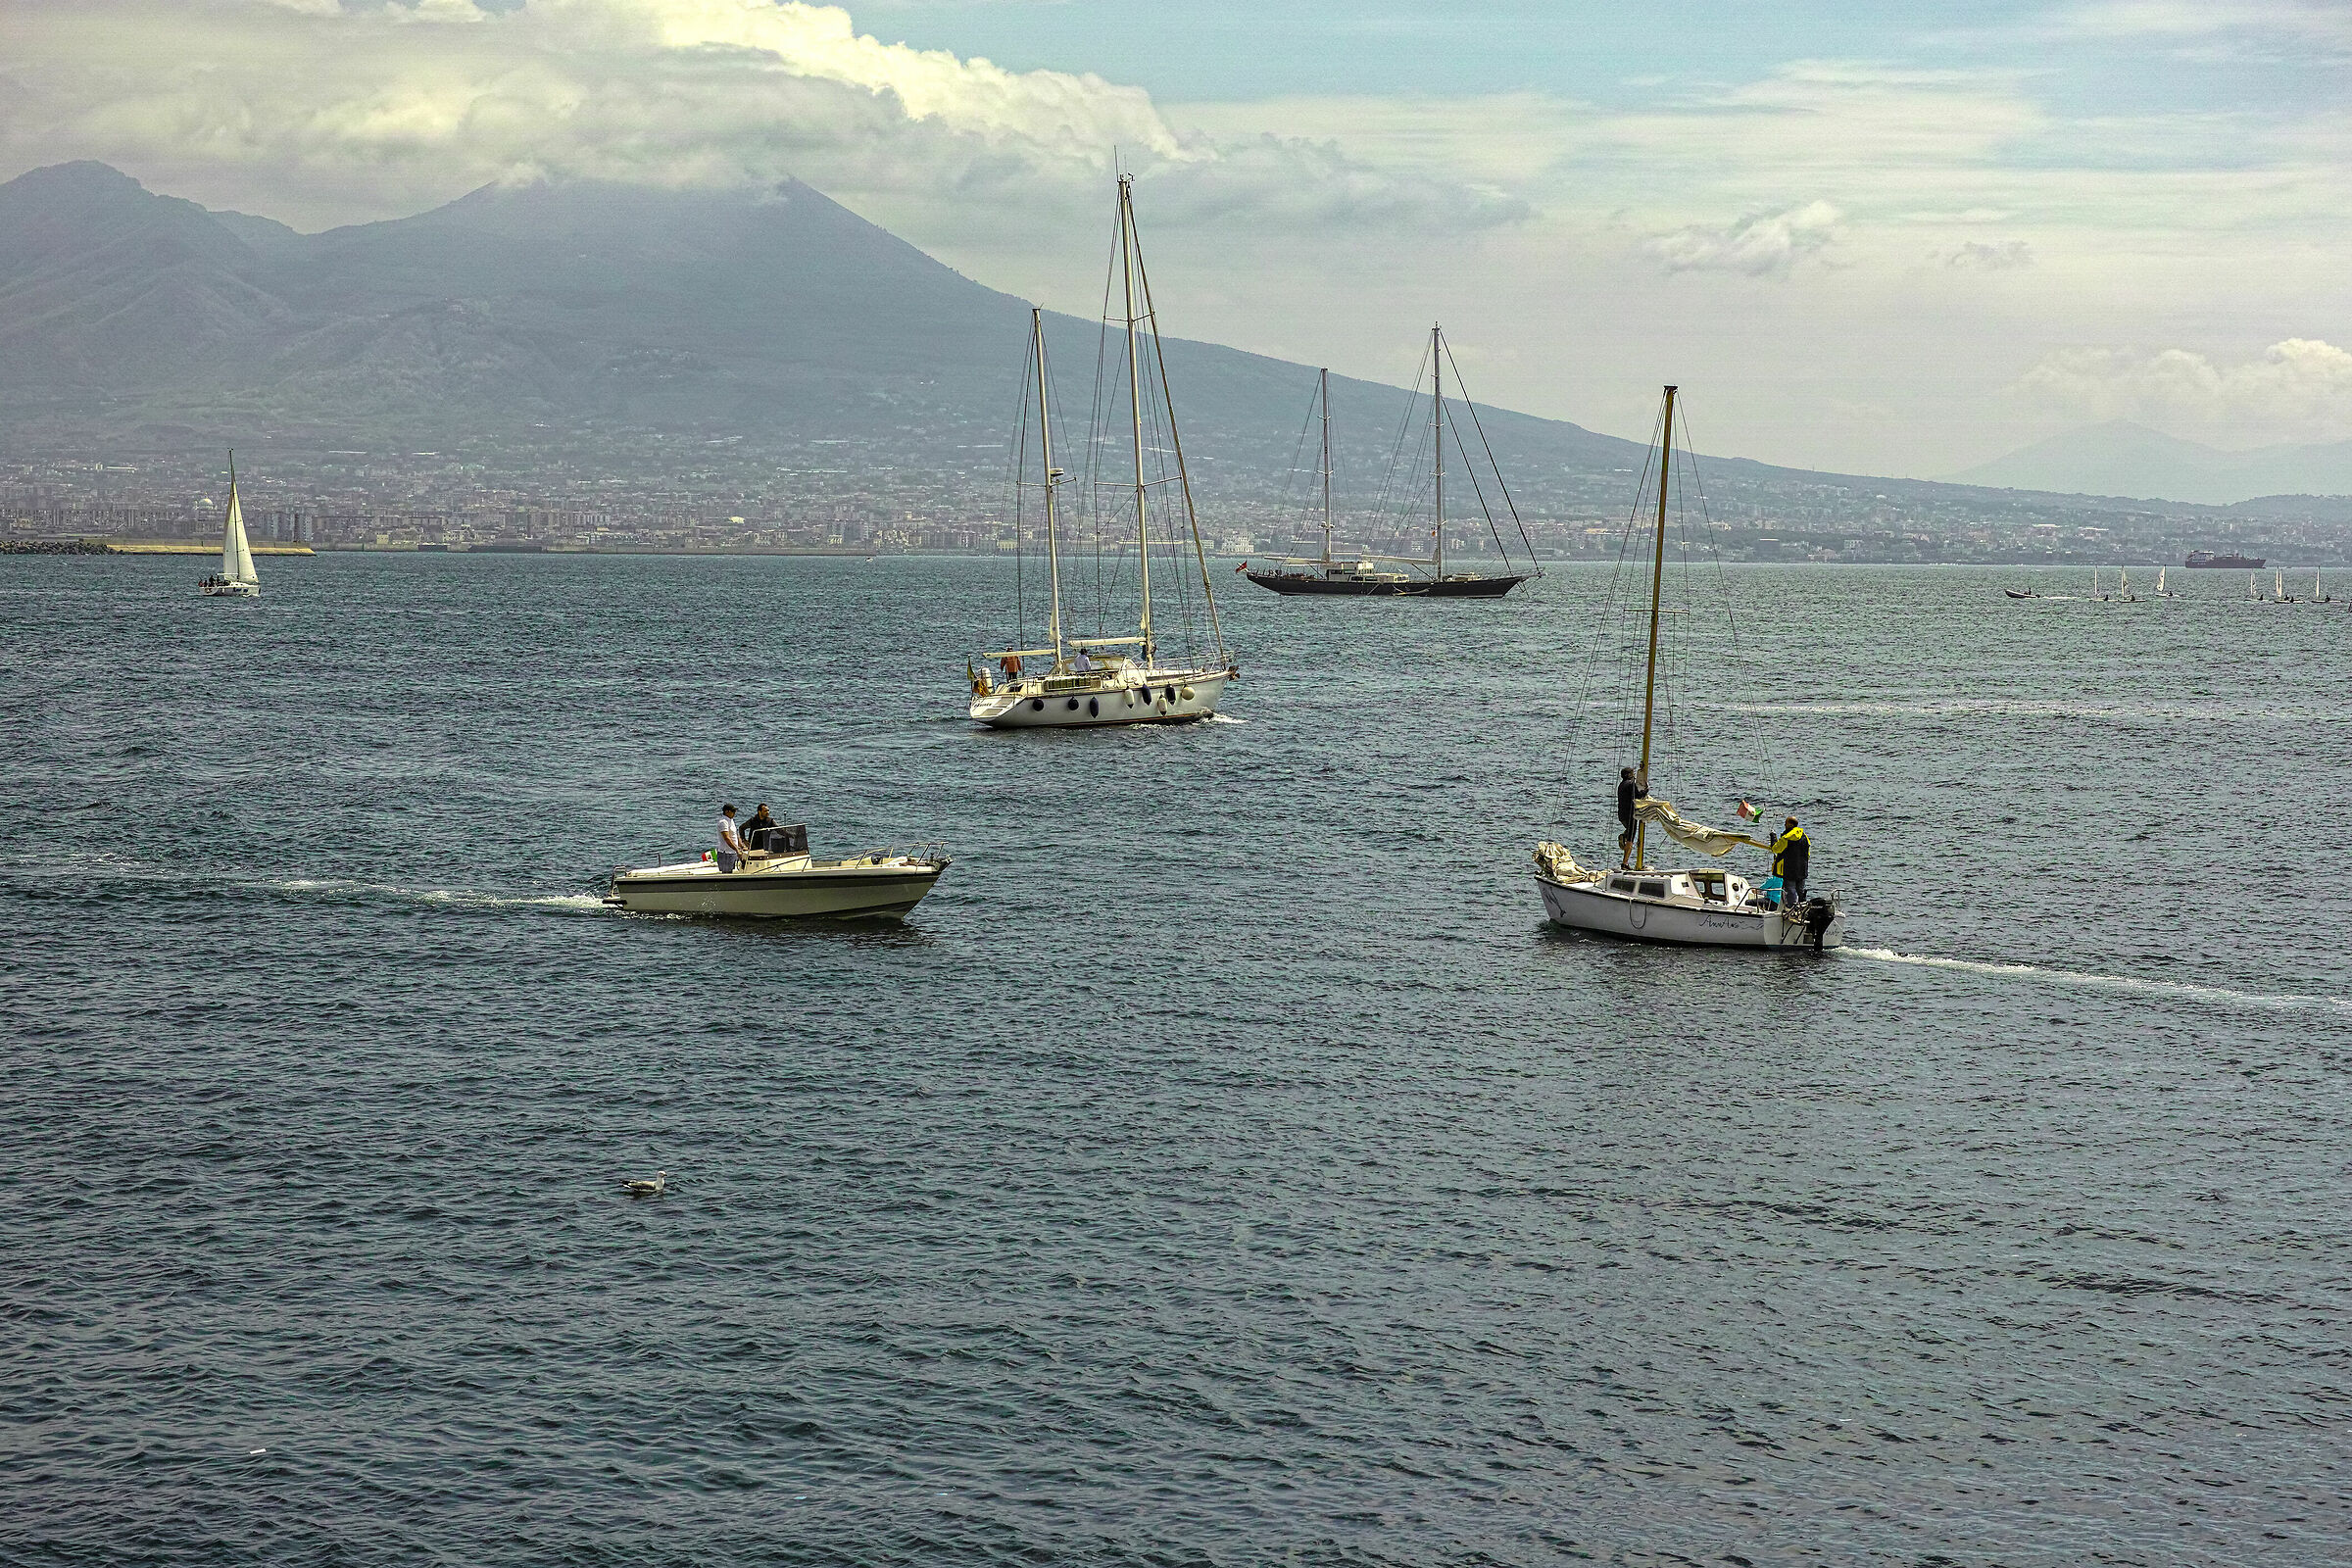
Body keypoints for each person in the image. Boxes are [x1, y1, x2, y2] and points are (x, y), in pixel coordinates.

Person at [1771, 816, 1811, 904]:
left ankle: (1791, 909)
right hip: (1802, 869)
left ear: (1790, 824)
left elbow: (1775, 849)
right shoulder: (1805, 836)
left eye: (1786, 823)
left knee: (1790, 890)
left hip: (1789, 870)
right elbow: (1808, 854)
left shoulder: (1787, 837)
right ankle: (1803, 908)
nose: (1784, 825)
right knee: (1801, 890)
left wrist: (1773, 837)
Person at [1616, 765, 1642, 866]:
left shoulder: (1621, 785)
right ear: (1628, 775)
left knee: (1629, 832)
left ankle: (1624, 835)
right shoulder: (1630, 784)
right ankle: (1625, 863)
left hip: (1622, 814)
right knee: (1630, 839)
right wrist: (1646, 790)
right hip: (1630, 815)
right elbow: (1639, 796)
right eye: (1632, 773)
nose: (1634, 775)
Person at [715, 804, 745, 872]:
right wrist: (737, 849)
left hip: (732, 852)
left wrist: (741, 846)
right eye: (733, 811)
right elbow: (727, 838)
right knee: (726, 873)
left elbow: (735, 834)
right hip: (726, 853)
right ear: (727, 812)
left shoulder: (730, 820)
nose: (734, 813)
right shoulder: (723, 822)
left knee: (732, 870)